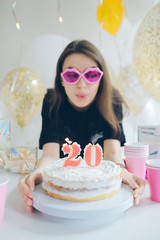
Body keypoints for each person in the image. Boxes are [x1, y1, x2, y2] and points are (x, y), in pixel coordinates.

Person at [18, 40, 145, 212]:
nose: (82, 85)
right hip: (63, 201)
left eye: (91, 75)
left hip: (101, 200)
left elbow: (112, 153)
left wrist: (122, 172)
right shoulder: (51, 101)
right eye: (72, 75)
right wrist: (38, 172)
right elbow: (50, 155)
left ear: (101, 79)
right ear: (61, 80)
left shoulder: (112, 101)